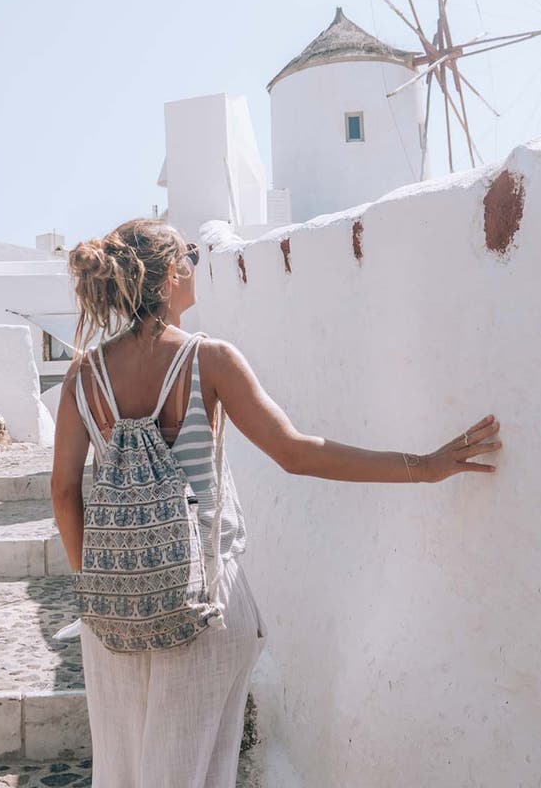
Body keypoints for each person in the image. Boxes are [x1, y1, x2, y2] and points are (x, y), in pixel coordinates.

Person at [51, 217, 501, 788]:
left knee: (121, 772)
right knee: (195, 773)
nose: (197, 262)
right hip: (202, 602)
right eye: (189, 253)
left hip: (109, 618)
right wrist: (426, 467)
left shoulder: (81, 375)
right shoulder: (207, 360)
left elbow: (64, 494)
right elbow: (297, 452)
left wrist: (109, 586)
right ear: (167, 277)